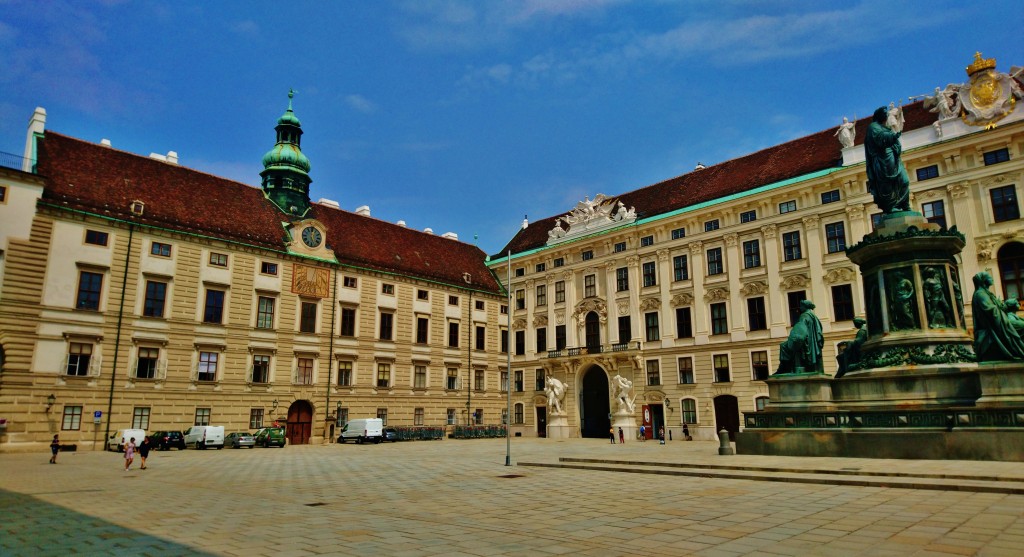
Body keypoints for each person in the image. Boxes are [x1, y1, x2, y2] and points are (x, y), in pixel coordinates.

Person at [865, 105, 911, 214]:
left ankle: (904, 204)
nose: (887, 116)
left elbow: (889, 137)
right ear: (880, 116)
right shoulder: (873, 127)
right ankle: (891, 206)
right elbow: (880, 138)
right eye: (885, 114)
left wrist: (894, 139)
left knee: (904, 181)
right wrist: (893, 137)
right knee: (887, 183)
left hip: (894, 158)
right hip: (883, 160)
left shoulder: (885, 127)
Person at [972, 272, 1024, 361]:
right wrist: (1004, 308)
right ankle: (1019, 350)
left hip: (999, 320)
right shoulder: (980, 294)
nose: (992, 279)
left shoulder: (985, 293)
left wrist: (1001, 308)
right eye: (989, 277)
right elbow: (990, 310)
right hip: (995, 323)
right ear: (984, 280)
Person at [776, 300, 824, 374]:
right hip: (811, 342)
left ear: (805, 307)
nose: (800, 308)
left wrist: (796, 338)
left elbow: (801, 331)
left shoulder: (804, 315)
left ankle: (785, 368)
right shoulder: (813, 316)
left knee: (783, 346)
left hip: (806, 342)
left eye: (801, 306)